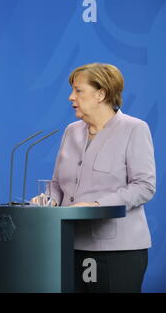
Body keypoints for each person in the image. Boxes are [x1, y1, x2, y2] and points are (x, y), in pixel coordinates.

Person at [42, 63, 156, 292]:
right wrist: (48, 200)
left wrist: (96, 205)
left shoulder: (134, 129)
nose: (70, 97)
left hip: (117, 250)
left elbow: (144, 186)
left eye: (78, 90)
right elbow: (57, 184)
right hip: (70, 246)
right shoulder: (71, 131)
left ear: (101, 94)